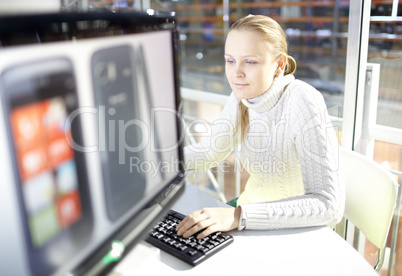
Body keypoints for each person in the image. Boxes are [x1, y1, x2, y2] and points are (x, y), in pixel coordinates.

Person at [176, 14, 345, 240]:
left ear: (279, 64)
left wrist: (238, 216)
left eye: (250, 61)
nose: (236, 73)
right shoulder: (241, 98)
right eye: (230, 60)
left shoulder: (303, 100)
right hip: (250, 215)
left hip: (296, 232)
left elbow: (329, 205)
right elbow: (209, 152)